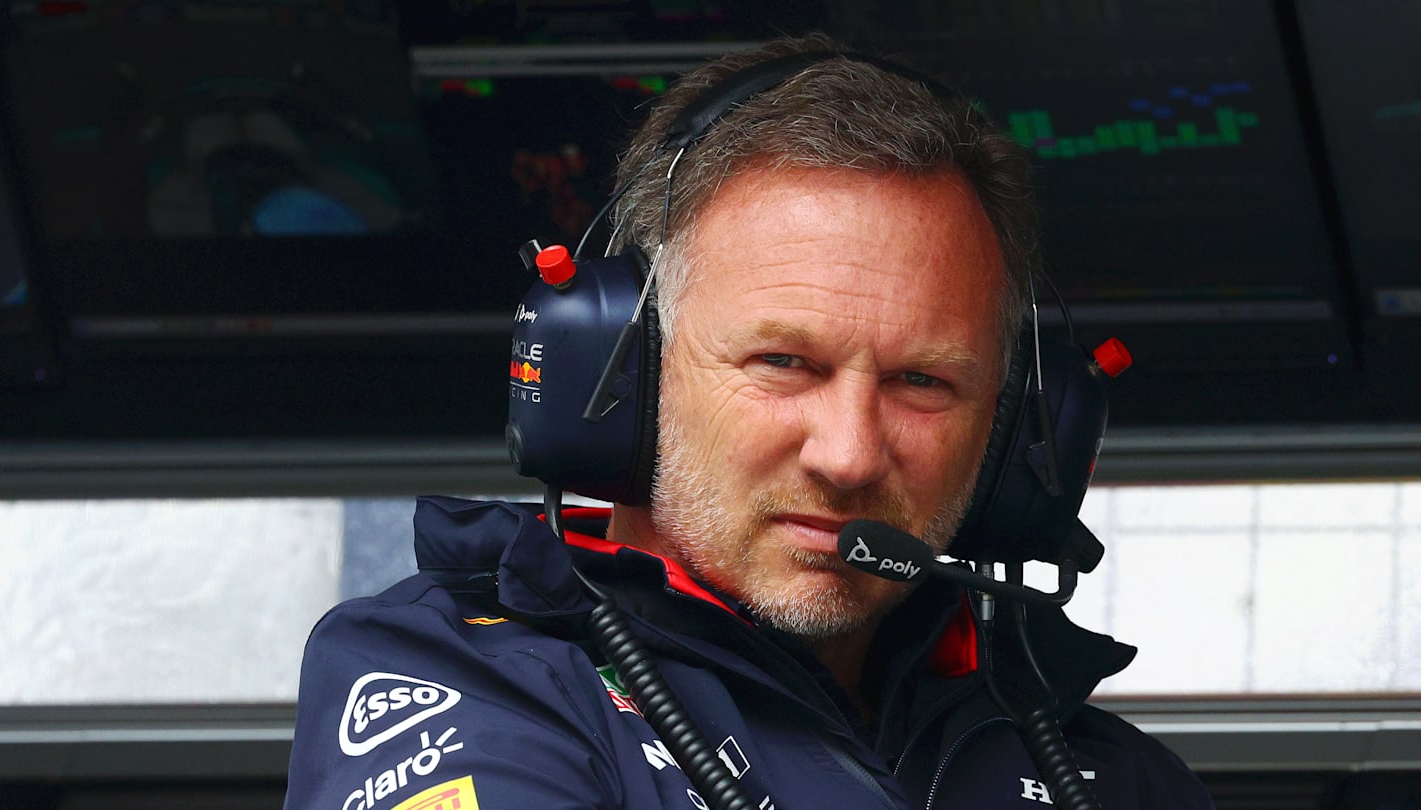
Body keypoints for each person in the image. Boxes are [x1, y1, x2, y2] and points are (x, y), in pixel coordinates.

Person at [284, 34, 1215, 810]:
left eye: (923, 381)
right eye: (783, 363)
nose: (849, 455)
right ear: (624, 371)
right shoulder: (452, 684)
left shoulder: (1116, 778)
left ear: (1018, 429)